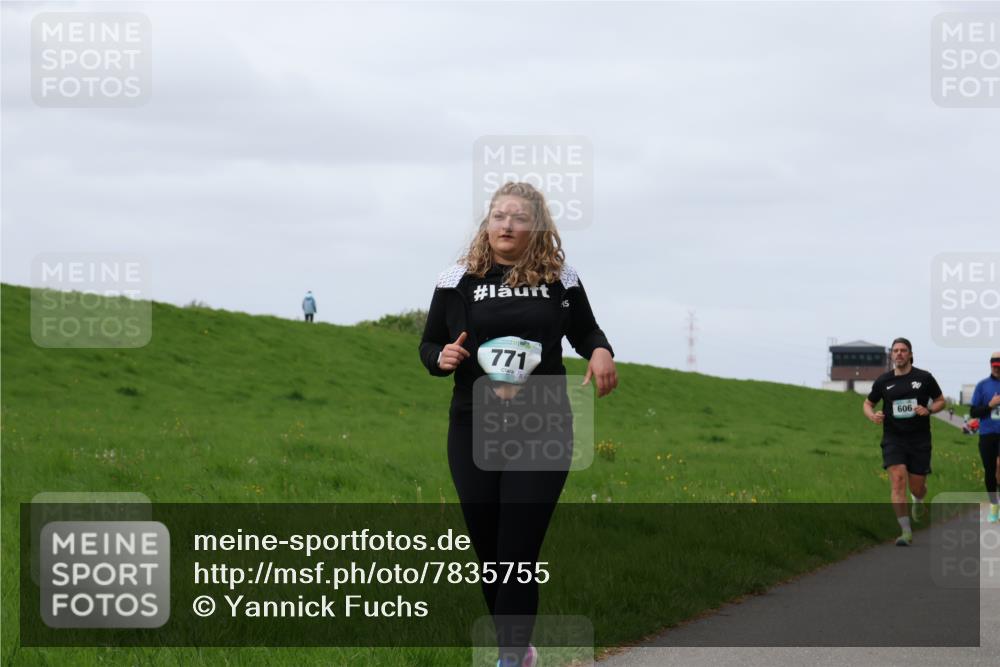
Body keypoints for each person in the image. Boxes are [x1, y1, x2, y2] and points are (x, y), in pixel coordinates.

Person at [419, 182, 617, 667]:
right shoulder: (457, 278)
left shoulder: (559, 278)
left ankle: (509, 658)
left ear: (537, 227)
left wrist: (600, 349)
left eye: (519, 217)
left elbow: (586, 330)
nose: (507, 224)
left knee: (517, 550)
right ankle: (519, 649)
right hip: (472, 423)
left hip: (542, 422)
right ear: (487, 223)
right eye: (499, 215)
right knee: (489, 552)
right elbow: (429, 345)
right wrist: (440, 357)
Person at [862, 337, 945, 546]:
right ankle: (905, 532)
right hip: (893, 439)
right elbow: (867, 403)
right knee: (898, 481)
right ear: (891, 355)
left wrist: (929, 410)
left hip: (919, 440)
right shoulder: (883, 381)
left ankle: (918, 499)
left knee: (917, 487)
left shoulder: (924, 378)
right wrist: (872, 415)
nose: (899, 353)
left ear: (910, 354)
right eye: (895, 350)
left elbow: (940, 400)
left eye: (903, 350)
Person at [970, 353, 1000, 523]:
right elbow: (974, 412)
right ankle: (994, 505)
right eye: (994, 365)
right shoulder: (982, 386)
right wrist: (990, 405)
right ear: (990, 365)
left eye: (999, 365)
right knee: (990, 471)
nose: (996, 368)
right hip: (987, 433)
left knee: (999, 465)